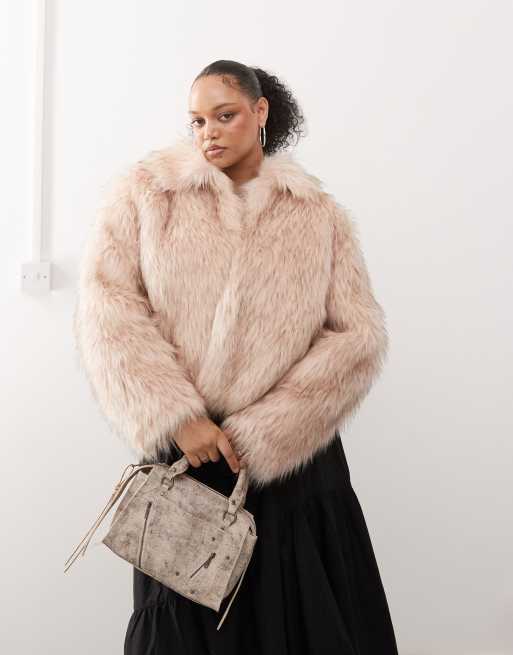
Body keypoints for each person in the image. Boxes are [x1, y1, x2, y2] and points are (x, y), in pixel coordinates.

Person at [73, 59, 399, 654]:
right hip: (188, 462)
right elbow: (107, 309)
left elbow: (357, 336)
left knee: (295, 618)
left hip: (289, 465)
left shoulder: (317, 216)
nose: (210, 133)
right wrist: (177, 416)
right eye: (197, 121)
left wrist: (266, 432)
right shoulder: (149, 195)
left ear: (260, 111)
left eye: (225, 116)